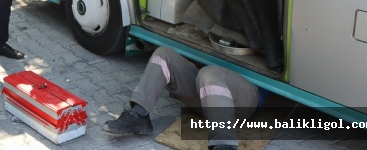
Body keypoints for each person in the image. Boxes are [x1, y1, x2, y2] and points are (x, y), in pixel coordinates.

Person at [103, 47, 267, 150]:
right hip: (209, 92)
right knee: (163, 54)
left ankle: (224, 143)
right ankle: (139, 115)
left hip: (243, 98)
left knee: (208, 73)